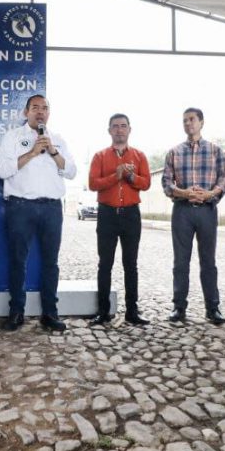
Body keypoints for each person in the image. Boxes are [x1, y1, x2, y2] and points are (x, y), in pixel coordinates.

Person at [0, 95, 77, 332]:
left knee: (51, 262)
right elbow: (2, 170)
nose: (40, 112)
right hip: (21, 207)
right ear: (26, 112)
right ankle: (16, 312)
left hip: (52, 207)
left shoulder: (58, 140)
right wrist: (32, 152)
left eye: (45, 108)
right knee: (18, 260)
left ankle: (50, 314)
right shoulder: (13, 138)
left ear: (49, 113)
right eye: (35, 108)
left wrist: (52, 151)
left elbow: (71, 171)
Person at [163, 107, 225, 325]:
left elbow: (224, 178)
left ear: (201, 122)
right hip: (182, 211)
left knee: (208, 261)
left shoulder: (215, 150)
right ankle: (178, 307)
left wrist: (211, 193)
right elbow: (166, 182)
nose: (188, 124)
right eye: (184, 121)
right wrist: (183, 192)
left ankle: (213, 308)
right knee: (180, 262)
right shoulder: (174, 152)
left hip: (207, 211)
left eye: (192, 120)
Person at [87, 113, 151, 326]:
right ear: (109, 130)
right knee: (105, 264)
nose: (119, 130)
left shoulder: (140, 156)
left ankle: (132, 311)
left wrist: (130, 176)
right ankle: (103, 311)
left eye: (123, 126)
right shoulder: (100, 156)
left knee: (130, 264)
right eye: (115, 126)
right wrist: (117, 175)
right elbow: (94, 184)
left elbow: (146, 183)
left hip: (131, 214)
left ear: (129, 130)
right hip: (107, 214)